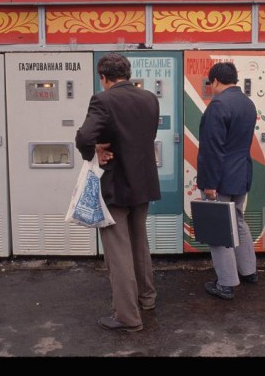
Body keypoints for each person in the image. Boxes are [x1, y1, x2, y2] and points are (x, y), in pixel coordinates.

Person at [75, 53, 161, 332]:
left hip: (115, 184)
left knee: (118, 251)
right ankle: (146, 299)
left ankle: (127, 316)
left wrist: (94, 152)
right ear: (128, 72)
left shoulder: (103, 99)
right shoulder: (149, 98)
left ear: (103, 77)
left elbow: (85, 137)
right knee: (139, 243)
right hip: (144, 182)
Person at [196, 62, 258, 300]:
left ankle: (226, 283)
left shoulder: (218, 105)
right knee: (238, 222)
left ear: (215, 81)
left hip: (220, 178)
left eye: (210, 84)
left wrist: (210, 184)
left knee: (218, 230)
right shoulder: (248, 103)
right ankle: (249, 271)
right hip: (241, 174)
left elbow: (212, 149)